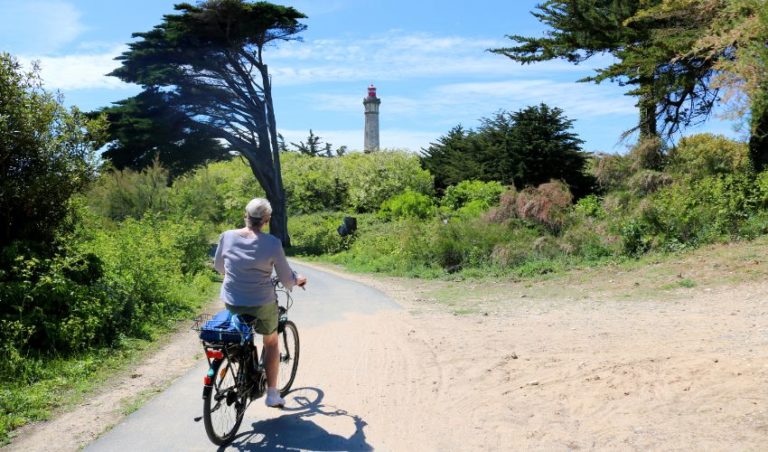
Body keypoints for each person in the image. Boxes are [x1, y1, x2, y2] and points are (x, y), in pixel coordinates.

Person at [213, 198, 307, 408]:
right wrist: (297, 280)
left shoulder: (227, 236)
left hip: (233, 301)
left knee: (240, 336)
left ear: (245, 216)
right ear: (267, 220)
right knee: (271, 342)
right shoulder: (272, 243)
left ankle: (240, 360)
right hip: (262, 302)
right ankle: (272, 394)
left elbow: (219, 267)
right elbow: (286, 279)